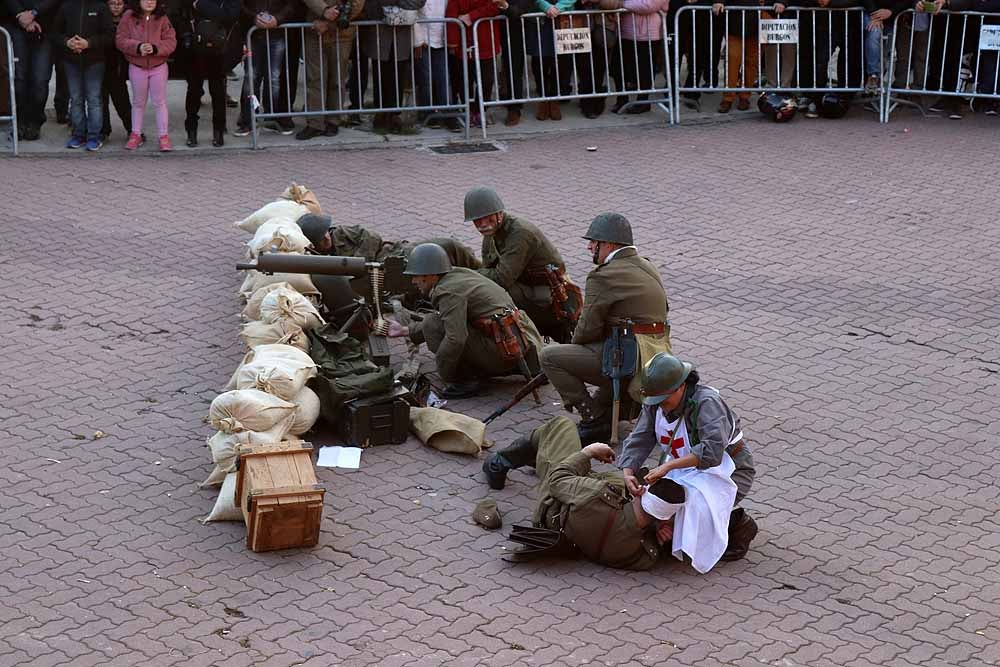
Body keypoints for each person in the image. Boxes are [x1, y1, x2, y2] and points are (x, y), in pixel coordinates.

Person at [540, 212, 670, 444]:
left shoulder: (604, 276)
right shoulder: (647, 266)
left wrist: (573, 351)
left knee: (550, 357)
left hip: (629, 359)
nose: (590, 248)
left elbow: (586, 328)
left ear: (609, 244)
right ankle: (618, 406)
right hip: (655, 353)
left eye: (594, 242)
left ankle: (593, 420)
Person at [618, 352, 758, 566]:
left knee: (693, 514)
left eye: (664, 399)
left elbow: (712, 452)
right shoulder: (655, 401)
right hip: (685, 469)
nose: (660, 405)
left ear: (681, 386)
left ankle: (738, 526)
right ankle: (681, 526)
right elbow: (640, 438)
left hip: (729, 472)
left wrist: (668, 467)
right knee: (659, 505)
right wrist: (627, 472)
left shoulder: (707, 403)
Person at [390, 243, 544, 398]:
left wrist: (445, 372)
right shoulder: (458, 274)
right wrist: (406, 331)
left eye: (415, 276)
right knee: (439, 321)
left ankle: (467, 380)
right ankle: (517, 366)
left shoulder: (447, 291)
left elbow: (455, 338)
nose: (413, 281)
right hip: (521, 341)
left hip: (504, 349)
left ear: (430, 274)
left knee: (432, 323)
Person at [465, 186, 581, 343]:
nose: (483, 224)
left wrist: (467, 275)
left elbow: (501, 279)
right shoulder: (492, 234)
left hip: (551, 296)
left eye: (488, 218)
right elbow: (489, 270)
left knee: (498, 296)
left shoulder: (520, 233)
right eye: (477, 220)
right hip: (525, 284)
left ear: (499, 214)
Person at [295, 213, 482, 268]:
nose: (327, 238)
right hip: (383, 276)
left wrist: (361, 262)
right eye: (321, 238)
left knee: (447, 246)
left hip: (393, 254)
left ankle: (482, 269)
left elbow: (372, 237)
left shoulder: (342, 233)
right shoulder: (319, 260)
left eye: (326, 233)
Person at [296, 0, 364, 140]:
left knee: (337, 79)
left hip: (342, 34)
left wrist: (330, 21)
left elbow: (357, 3)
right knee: (314, 79)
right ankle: (315, 123)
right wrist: (324, 11)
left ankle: (333, 121)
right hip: (315, 31)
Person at [115, 0, 176, 150]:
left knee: (159, 102)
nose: (149, 2)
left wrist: (155, 49)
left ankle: (163, 136)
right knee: (138, 102)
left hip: (158, 66)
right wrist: (137, 47)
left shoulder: (162, 18)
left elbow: (171, 41)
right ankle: (135, 134)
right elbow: (120, 40)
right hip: (137, 66)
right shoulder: (128, 17)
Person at [54, 0, 114, 151]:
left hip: (95, 62)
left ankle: (94, 136)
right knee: (76, 99)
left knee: (93, 99)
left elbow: (109, 36)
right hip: (71, 62)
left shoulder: (101, 7)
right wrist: (67, 42)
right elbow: (54, 33)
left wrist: (89, 43)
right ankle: (78, 134)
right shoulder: (66, 6)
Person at [178, 0, 239, 147]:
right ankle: (191, 131)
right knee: (193, 91)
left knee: (218, 92)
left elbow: (231, 15)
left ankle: (218, 131)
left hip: (220, 46)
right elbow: (181, 13)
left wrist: (200, 5)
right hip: (194, 47)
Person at [361, 0, 427, 133]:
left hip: (402, 37)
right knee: (380, 75)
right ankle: (380, 112)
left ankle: (395, 115)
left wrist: (395, 3)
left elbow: (418, 2)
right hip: (379, 35)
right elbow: (370, 6)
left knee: (399, 77)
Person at [234, 0, 297, 136]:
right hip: (253, 34)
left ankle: (271, 118)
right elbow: (239, 5)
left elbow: (291, 5)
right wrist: (253, 18)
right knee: (251, 78)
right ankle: (248, 120)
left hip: (277, 34)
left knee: (273, 79)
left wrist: (277, 19)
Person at [5, 0, 59, 140]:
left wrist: (34, 13)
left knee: (40, 80)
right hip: (14, 24)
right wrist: (20, 16)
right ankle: (19, 122)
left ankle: (35, 121)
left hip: (46, 27)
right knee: (19, 79)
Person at [608, 0, 669, 114]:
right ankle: (621, 99)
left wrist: (623, 4)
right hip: (625, 31)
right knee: (619, 68)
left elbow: (649, 5)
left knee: (645, 70)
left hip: (648, 34)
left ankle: (643, 102)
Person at [447, 0, 500, 127]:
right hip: (464, 42)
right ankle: (469, 111)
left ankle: (480, 110)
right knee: (465, 82)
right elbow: (451, 16)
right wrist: (452, 42)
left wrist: (471, 16)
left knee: (487, 80)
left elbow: (496, 6)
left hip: (487, 42)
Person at [524, 0, 574, 121]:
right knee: (539, 61)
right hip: (539, 19)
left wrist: (557, 8)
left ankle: (555, 99)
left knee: (561, 62)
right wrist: (545, 6)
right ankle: (544, 98)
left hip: (563, 18)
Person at [101, 0, 133, 141]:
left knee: (122, 101)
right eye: (112, 3)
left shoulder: (129, 19)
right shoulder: (101, 17)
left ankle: (132, 129)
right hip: (100, 65)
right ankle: (103, 130)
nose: (116, 7)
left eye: (119, 3)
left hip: (118, 68)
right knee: (100, 101)